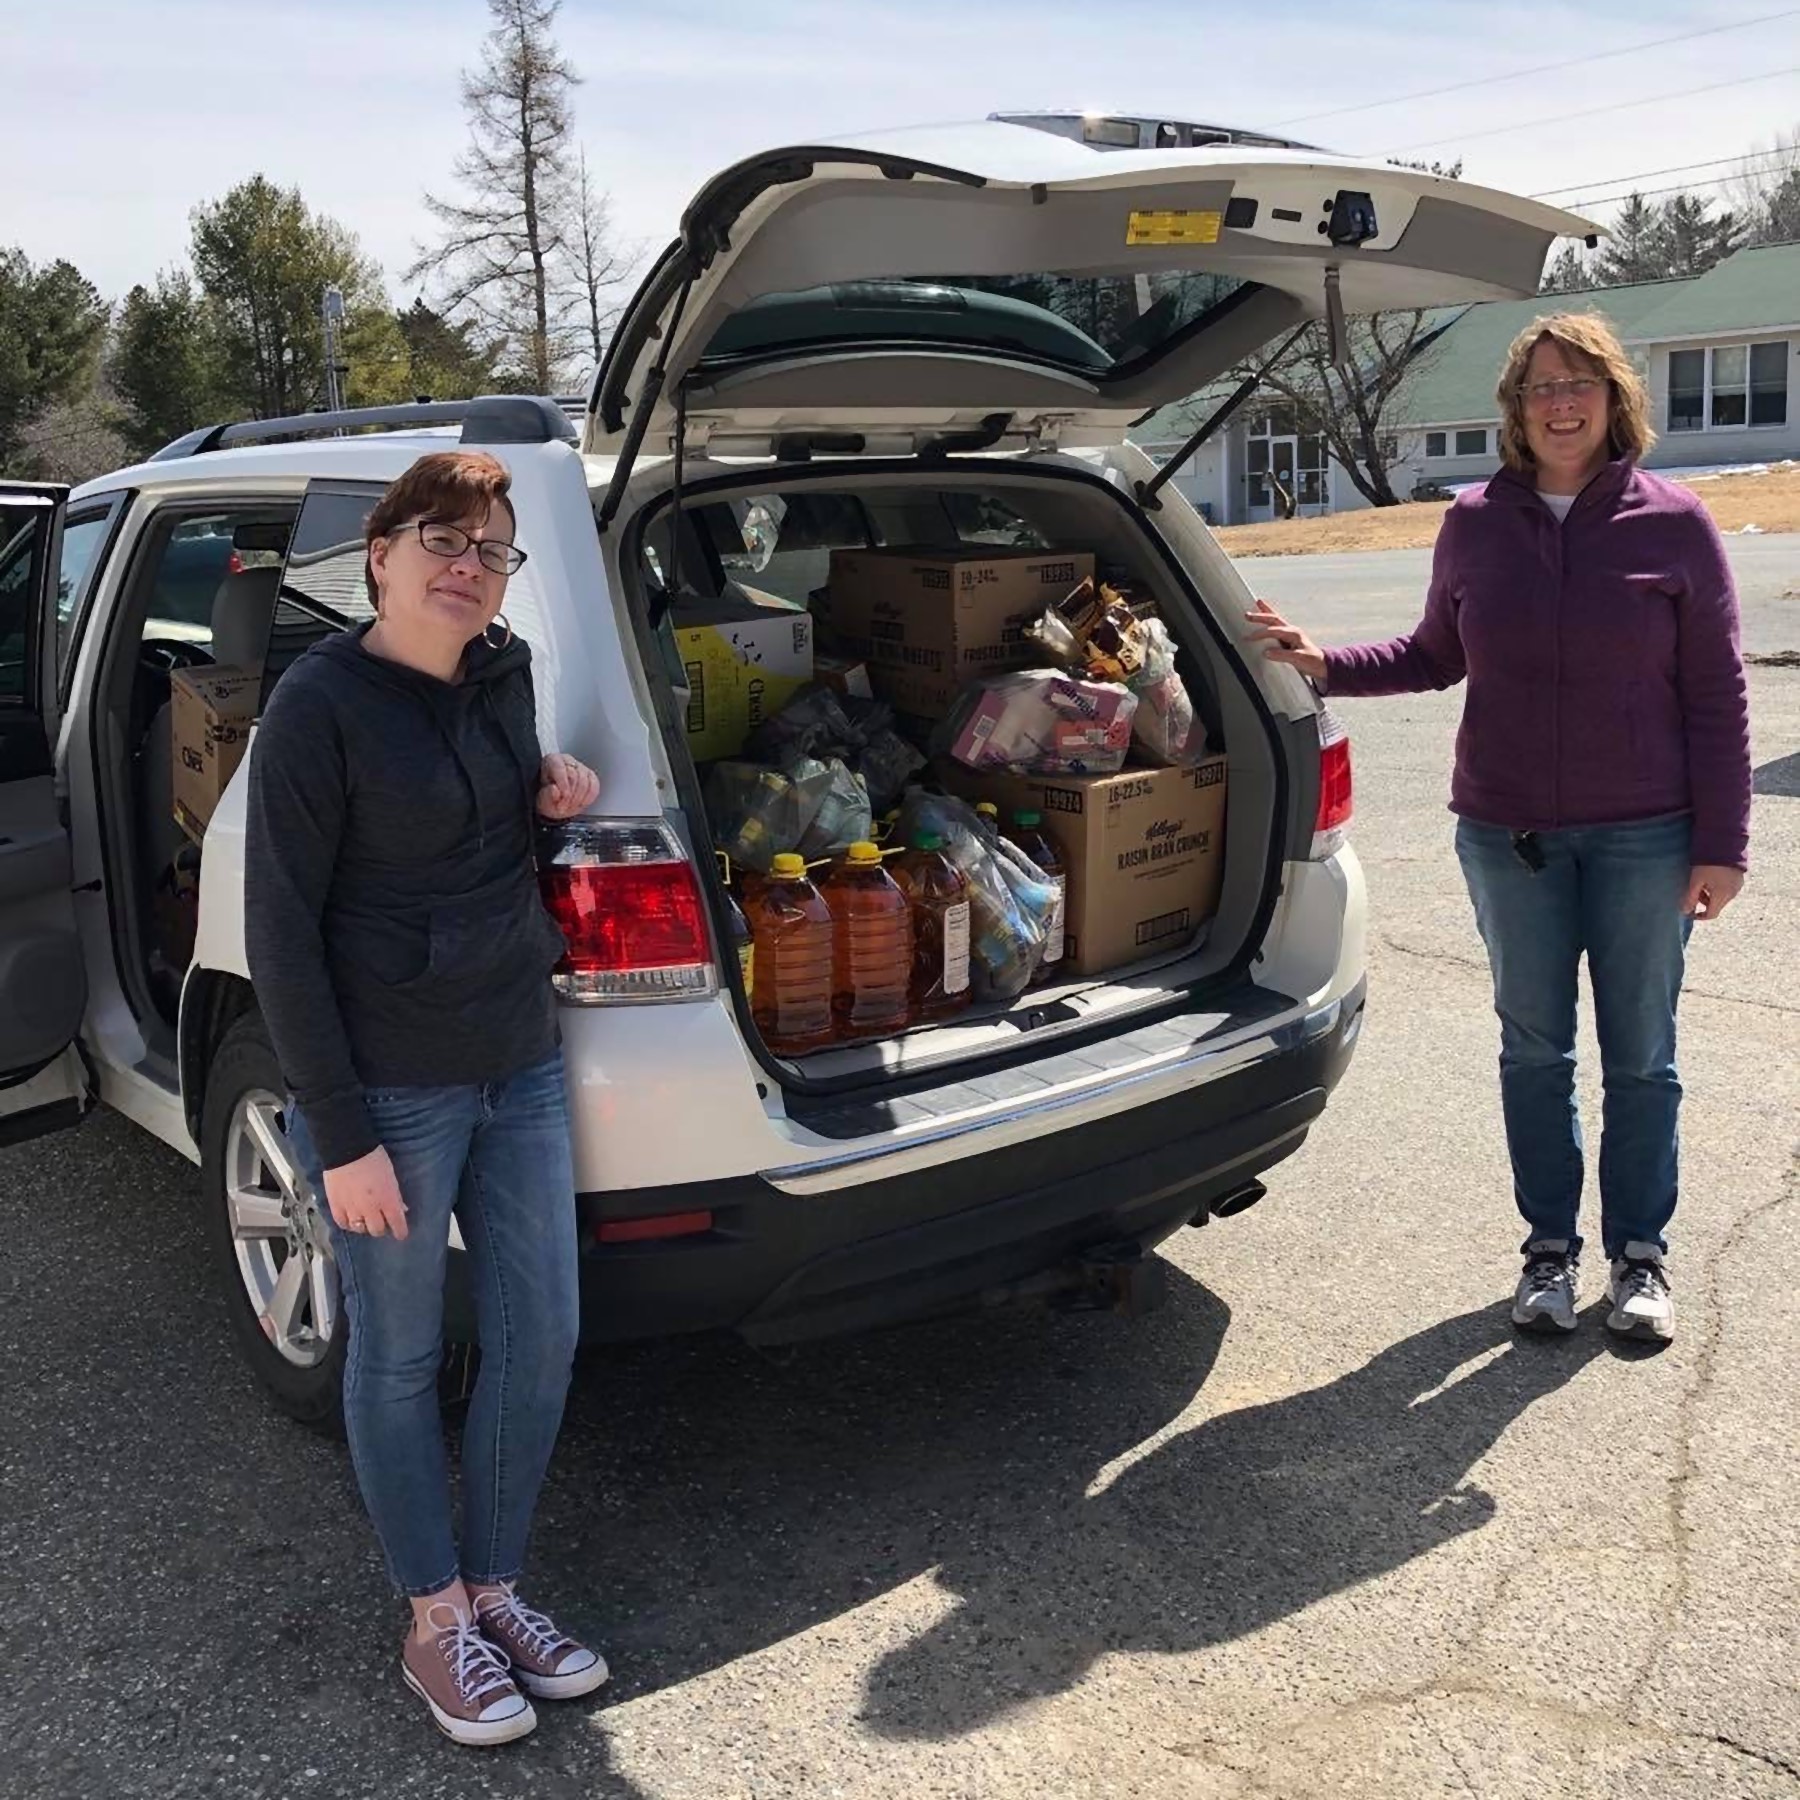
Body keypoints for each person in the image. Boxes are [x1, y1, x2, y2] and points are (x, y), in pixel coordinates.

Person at [1248, 313, 1751, 1347]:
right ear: (1516, 410)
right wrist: (1324, 662)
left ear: (1616, 399)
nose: (1561, 404)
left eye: (1580, 385)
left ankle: (1642, 1256)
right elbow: (1436, 652)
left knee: (1642, 1055)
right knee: (1534, 1051)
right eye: (1539, 388)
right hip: (1506, 834)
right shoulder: (1475, 521)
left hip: (1646, 835)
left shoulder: (1676, 523)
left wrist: (1723, 842)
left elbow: (1719, 692)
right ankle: (1549, 1254)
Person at [246, 450, 606, 1746]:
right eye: (442, 539)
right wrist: (335, 1134)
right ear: (382, 554)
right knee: (397, 1359)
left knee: (541, 1335)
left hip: (519, 1058)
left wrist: (551, 804)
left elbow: (493, 848)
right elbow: (279, 929)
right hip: (392, 1088)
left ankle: (499, 1589)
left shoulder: (502, 673)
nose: (468, 565)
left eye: (491, 548)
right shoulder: (319, 705)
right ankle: (433, 1620)